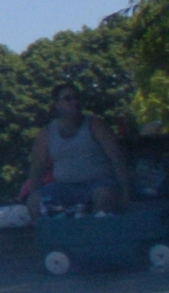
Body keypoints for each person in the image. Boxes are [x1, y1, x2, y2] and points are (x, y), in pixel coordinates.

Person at [23, 83, 131, 214]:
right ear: (57, 104)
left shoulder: (96, 125)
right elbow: (37, 168)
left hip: (98, 184)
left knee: (104, 196)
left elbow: (117, 158)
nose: (74, 102)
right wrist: (34, 194)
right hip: (63, 188)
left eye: (77, 98)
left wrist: (126, 193)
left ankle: (98, 226)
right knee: (34, 203)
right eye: (68, 99)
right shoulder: (46, 133)